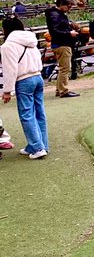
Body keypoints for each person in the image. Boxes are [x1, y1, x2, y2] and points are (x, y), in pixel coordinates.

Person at [1, 17, 49, 159]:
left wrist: (7, 91)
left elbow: (10, 69)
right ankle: (41, 145)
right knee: (39, 112)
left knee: (26, 115)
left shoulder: (8, 46)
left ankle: (37, 147)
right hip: (38, 77)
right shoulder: (31, 41)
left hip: (24, 80)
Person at [45, 0, 80, 98]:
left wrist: (70, 25)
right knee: (65, 68)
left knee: (63, 68)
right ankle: (63, 90)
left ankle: (59, 89)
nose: (69, 8)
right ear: (61, 4)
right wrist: (69, 33)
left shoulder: (56, 14)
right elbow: (55, 31)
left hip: (61, 43)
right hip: (62, 44)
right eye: (68, 6)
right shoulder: (56, 15)